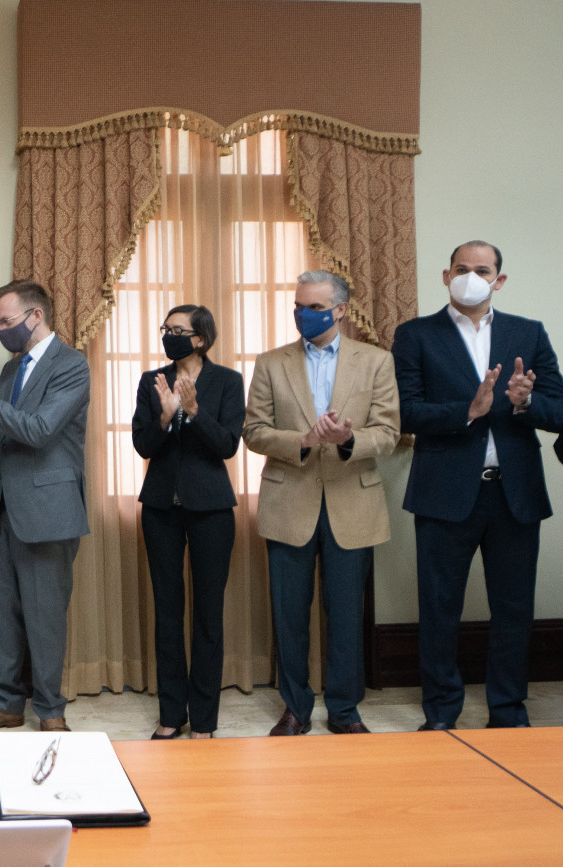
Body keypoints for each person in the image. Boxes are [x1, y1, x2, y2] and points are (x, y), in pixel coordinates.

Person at [392, 241, 563, 730]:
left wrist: (525, 403)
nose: (471, 276)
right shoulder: (415, 334)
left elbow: (562, 411)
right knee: (439, 609)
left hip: (515, 495)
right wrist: (467, 411)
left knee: (514, 610)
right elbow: (404, 411)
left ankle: (508, 712)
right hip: (443, 492)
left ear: (499, 280)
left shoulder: (528, 332)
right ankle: (441, 713)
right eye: (462, 268)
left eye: (483, 270)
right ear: (446, 275)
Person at [243, 270, 399, 736]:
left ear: (341, 310)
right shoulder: (271, 362)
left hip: (353, 503)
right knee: (289, 615)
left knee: (347, 615)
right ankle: (295, 708)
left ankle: (345, 710)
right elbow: (254, 431)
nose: (303, 315)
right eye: (298, 307)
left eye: (314, 307)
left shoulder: (376, 361)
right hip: (289, 502)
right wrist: (303, 439)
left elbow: (389, 433)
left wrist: (349, 439)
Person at [0, 279, 90, 737]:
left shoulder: (72, 365)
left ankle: (50, 712)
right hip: (5, 509)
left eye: (6, 321)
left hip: (49, 511)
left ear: (36, 315)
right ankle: (3, 704)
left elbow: (39, 429)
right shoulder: (12, 370)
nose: (1, 331)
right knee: (0, 614)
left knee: (45, 618)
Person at [132, 305, 244, 740]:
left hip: (211, 509)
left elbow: (227, 445)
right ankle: (170, 714)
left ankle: (204, 720)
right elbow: (143, 445)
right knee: (167, 612)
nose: (169, 336)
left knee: (208, 615)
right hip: (160, 508)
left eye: (178, 330)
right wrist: (164, 417)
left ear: (201, 338)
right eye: (166, 329)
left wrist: (195, 412)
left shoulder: (228, 381)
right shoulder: (152, 380)